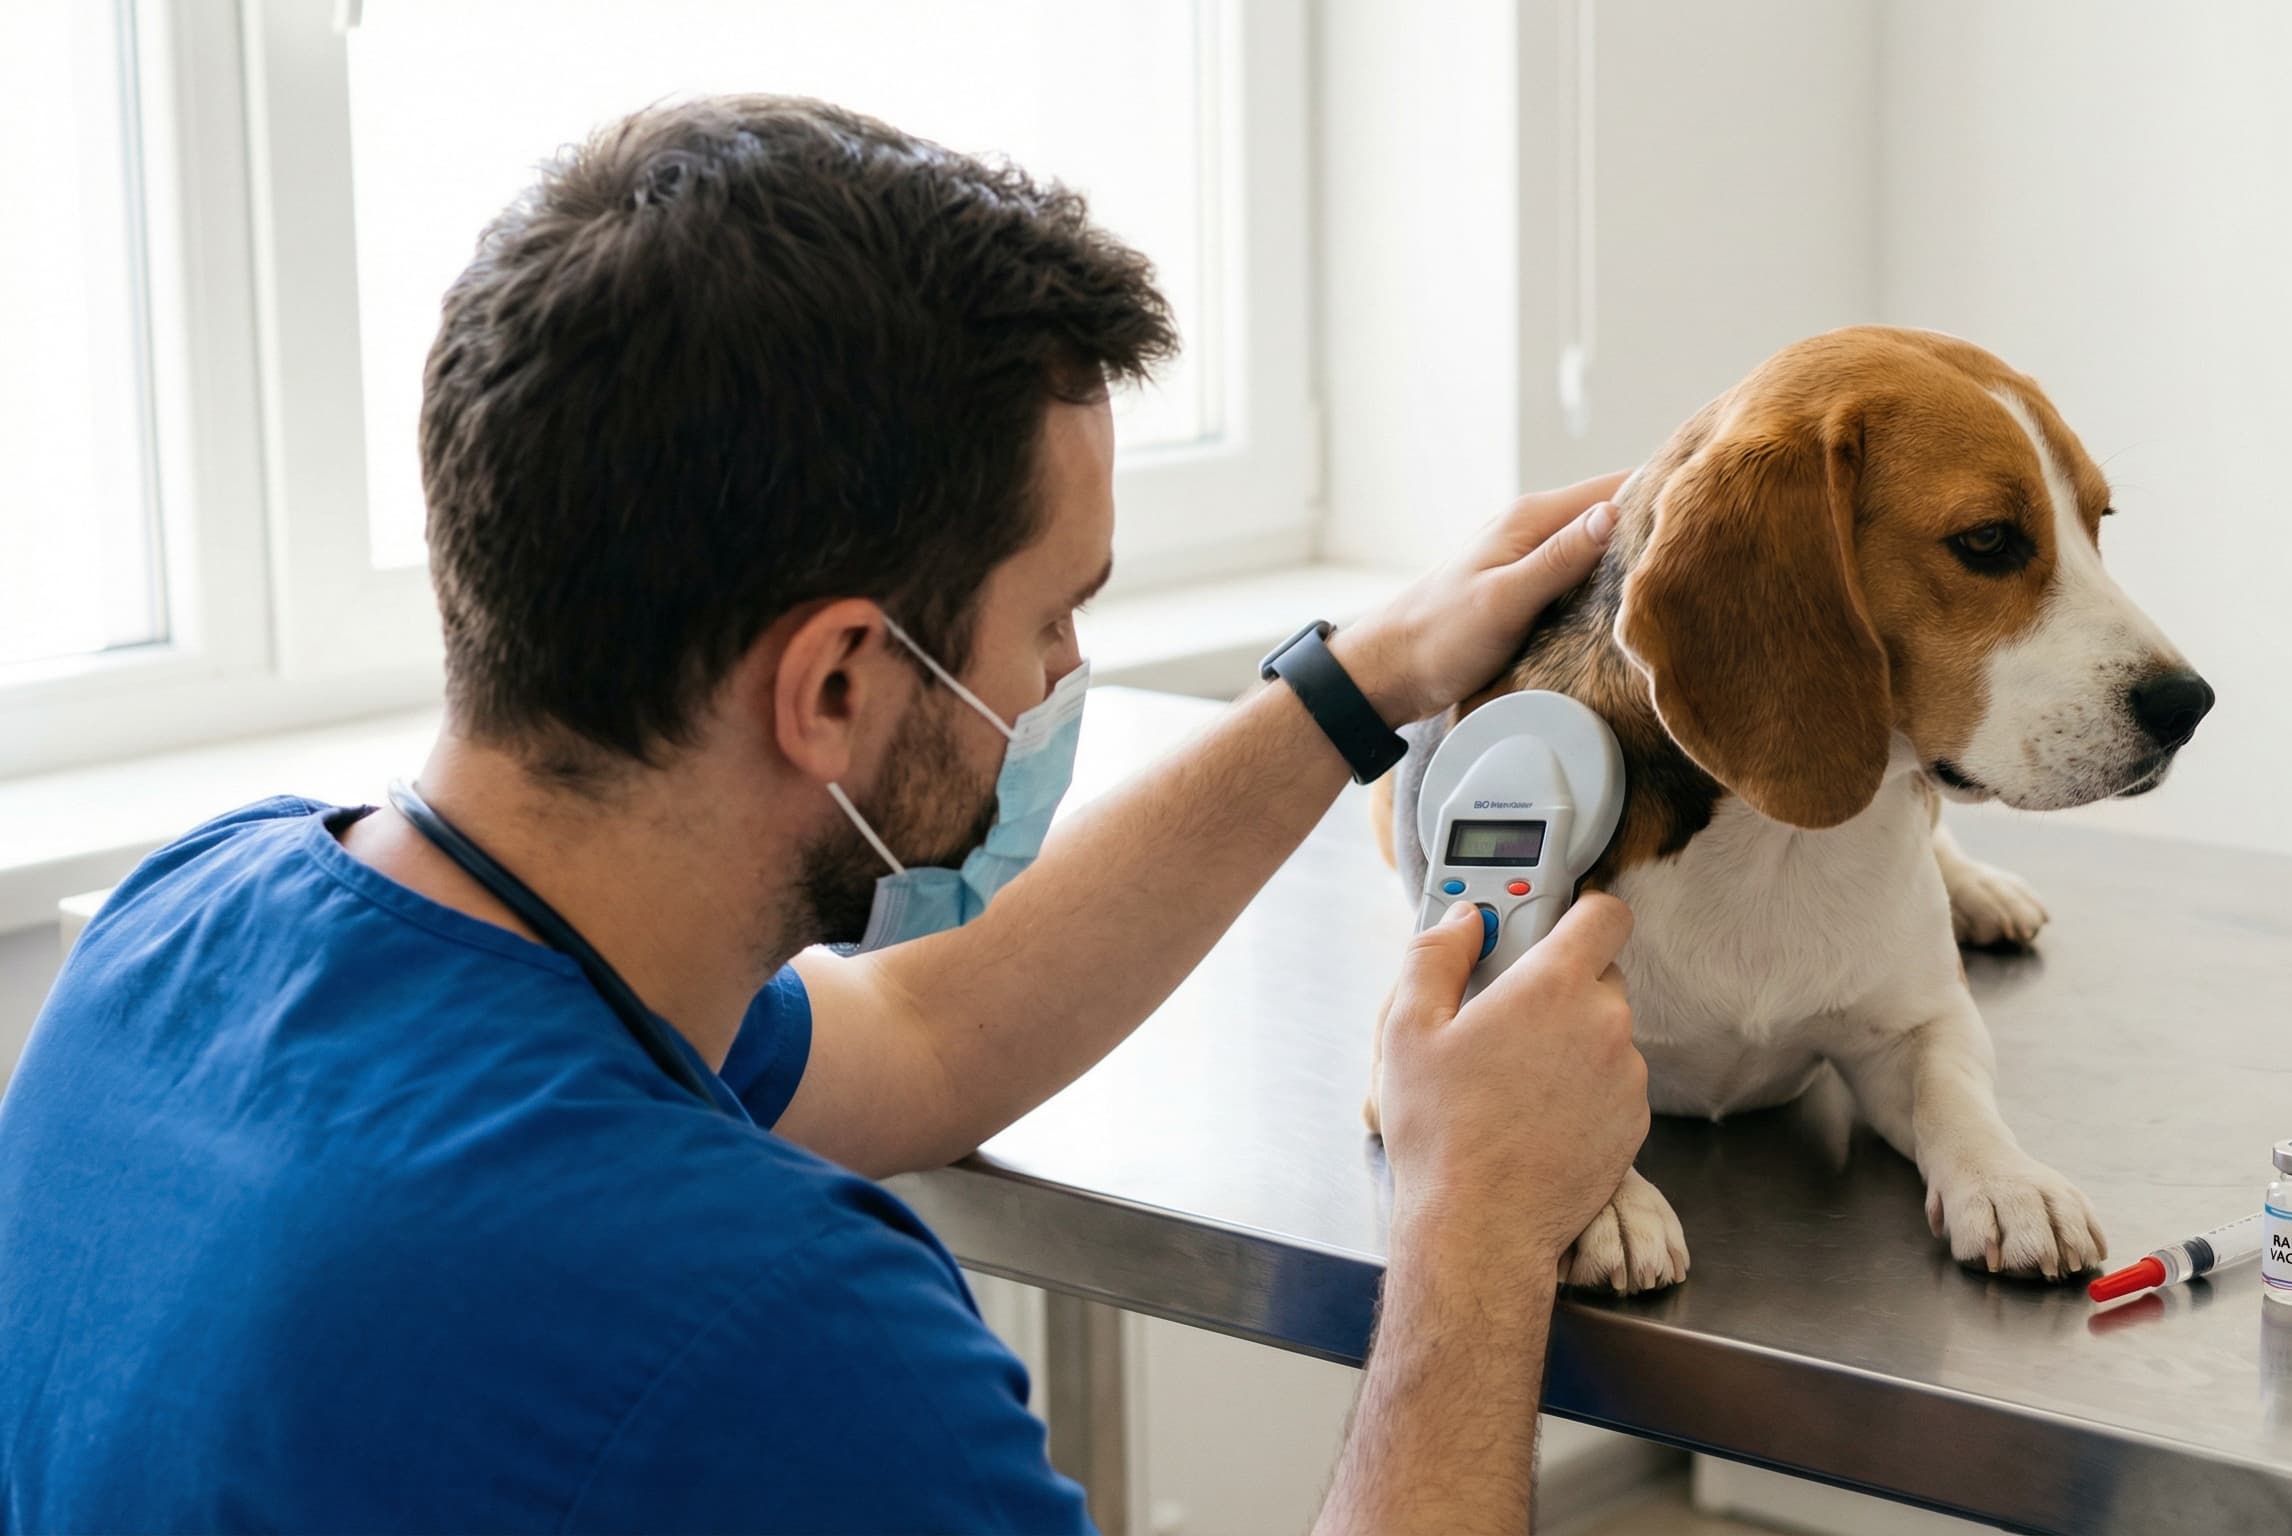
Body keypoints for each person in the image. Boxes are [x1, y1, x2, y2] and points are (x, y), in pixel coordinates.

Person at [0, 94, 1649, 1534]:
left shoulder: (184, 930)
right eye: (1053, 619)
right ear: (840, 686)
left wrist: (1350, 690)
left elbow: (929, 1038)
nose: (1071, 671)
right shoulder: (771, 1332)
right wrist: (1473, 1229)